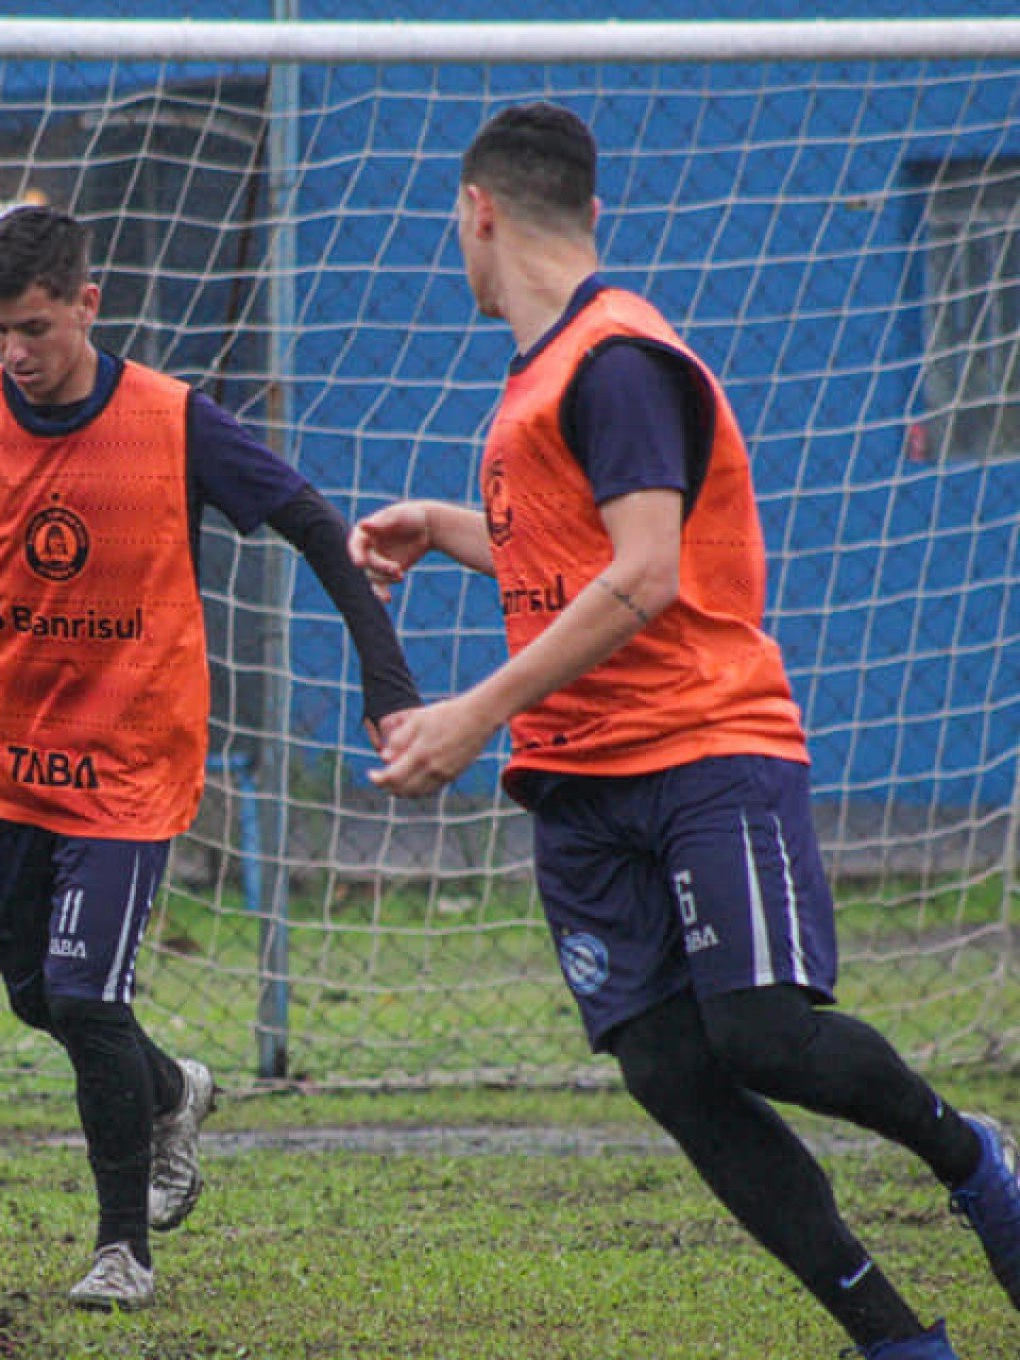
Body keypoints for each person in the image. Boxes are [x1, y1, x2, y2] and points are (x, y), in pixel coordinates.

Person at [351, 101, 1020, 1360]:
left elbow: (648, 574)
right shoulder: (548, 377)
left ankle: (974, 1157)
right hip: (579, 782)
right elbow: (577, 558)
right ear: (587, 209)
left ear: (479, 211)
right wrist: (443, 526)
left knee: (762, 1032)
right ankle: (896, 1336)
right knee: (669, 1067)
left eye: (455, 224)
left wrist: (467, 717)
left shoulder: (617, 359)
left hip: (703, 751)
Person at [0, 204, 419, 1311]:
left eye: (38, 327)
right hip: (10, 763)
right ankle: (171, 1089)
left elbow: (309, 522)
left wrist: (386, 684)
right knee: (37, 996)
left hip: (133, 764)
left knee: (83, 994)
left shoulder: (172, 420)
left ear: (88, 306)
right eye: (0, 329)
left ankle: (122, 1248)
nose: (16, 353)